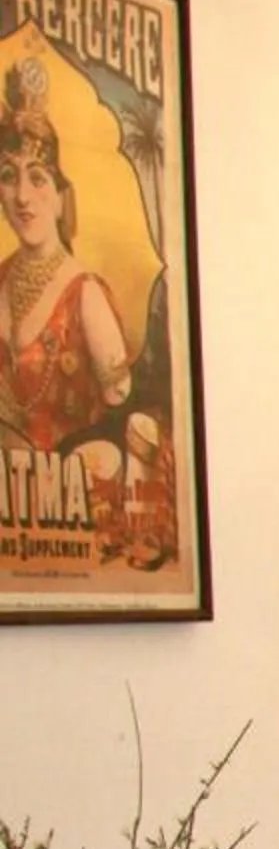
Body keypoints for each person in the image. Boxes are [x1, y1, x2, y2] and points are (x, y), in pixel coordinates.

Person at [0, 53, 175, 569]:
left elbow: (122, 408)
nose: (22, 197)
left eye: (38, 179)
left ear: (61, 197)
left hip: (76, 494)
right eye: (8, 178)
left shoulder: (85, 294)